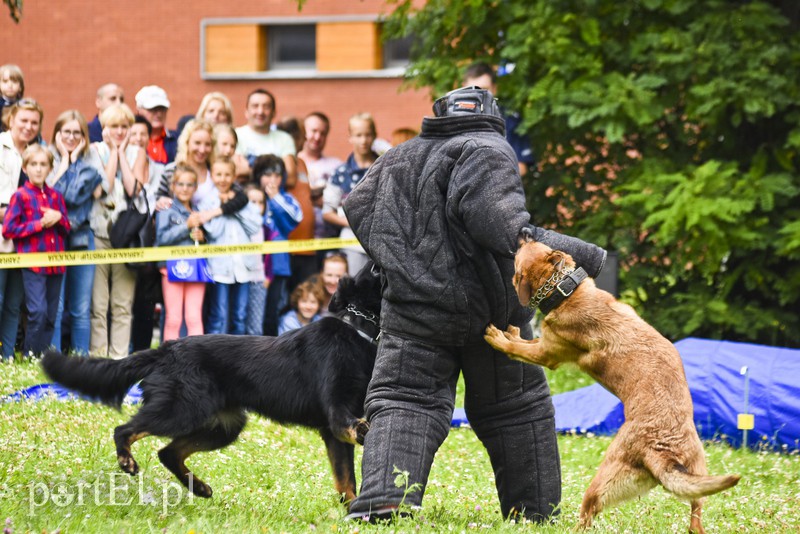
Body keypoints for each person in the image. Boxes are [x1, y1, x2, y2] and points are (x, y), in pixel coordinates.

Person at [342, 87, 607, 522]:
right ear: (492, 117)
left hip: (412, 310)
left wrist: (403, 264)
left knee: (403, 400)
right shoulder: (486, 148)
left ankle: (382, 504)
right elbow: (504, 227)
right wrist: (587, 258)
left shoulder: (398, 156)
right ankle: (535, 515)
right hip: (492, 316)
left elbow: (357, 205)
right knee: (516, 409)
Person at [89, 103, 147, 359]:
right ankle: (99, 355)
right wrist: (112, 152)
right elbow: (103, 187)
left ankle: (119, 356)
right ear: (104, 128)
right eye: (114, 127)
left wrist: (123, 152)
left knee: (123, 303)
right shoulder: (93, 151)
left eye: (125, 127)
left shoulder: (138, 152)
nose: (120, 131)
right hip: (98, 231)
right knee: (99, 303)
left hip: (126, 235)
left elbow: (133, 188)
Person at [2, 144, 70, 356]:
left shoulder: (56, 196)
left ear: (50, 168)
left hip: (56, 264)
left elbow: (66, 228)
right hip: (32, 264)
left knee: (51, 314)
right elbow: (8, 229)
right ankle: (29, 355)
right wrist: (39, 224)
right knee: (37, 312)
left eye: (43, 165)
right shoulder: (20, 196)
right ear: (25, 168)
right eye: (34, 164)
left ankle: (42, 357)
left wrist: (59, 218)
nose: (39, 169)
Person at [48, 109, 105, 355]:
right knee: (57, 306)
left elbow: (75, 196)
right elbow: (46, 194)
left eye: (77, 132)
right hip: (53, 239)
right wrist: (64, 162)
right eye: (66, 132)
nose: (71, 137)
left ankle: (81, 360)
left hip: (83, 236)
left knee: (81, 307)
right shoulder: (47, 156)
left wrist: (75, 162)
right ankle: (55, 359)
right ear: (57, 134)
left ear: (84, 136)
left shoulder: (91, 159)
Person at [200, 157, 263, 335]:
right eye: (218, 174)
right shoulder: (208, 202)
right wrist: (221, 206)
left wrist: (233, 208)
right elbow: (212, 230)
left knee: (240, 315)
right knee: (219, 314)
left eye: (227, 174)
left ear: (234, 176)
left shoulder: (242, 201)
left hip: (243, 267)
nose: (223, 179)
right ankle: (213, 356)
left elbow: (254, 225)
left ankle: (238, 358)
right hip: (220, 268)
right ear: (212, 176)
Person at [0, 98, 42, 359]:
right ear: (11, 120)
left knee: (15, 303)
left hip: (27, 236)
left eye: (34, 122)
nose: (28, 126)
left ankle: (6, 356)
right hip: (2, 228)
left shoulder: (38, 152)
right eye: (24, 120)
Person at [321, 112, 379, 276]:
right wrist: (353, 222)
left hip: (382, 243)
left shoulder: (384, 167)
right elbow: (327, 212)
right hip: (352, 244)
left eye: (368, 135)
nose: (363, 140)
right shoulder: (341, 173)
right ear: (350, 137)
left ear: (374, 135)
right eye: (358, 135)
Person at [155, 165, 207, 341]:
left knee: (194, 317)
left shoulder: (199, 212)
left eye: (189, 184)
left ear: (195, 188)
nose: (185, 188)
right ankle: (169, 363)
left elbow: (205, 242)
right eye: (181, 184)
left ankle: (198, 361)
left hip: (196, 269)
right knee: (173, 318)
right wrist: (186, 226)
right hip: (171, 268)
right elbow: (161, 239)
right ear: (173, 186)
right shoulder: (166, 210)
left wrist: (202, 237)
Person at [254, 154, 302, 336]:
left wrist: (275, 198)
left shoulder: (286, 198)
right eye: (267, 174)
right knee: (252, 313)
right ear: (258, 176)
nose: (272, 180)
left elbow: (295, 218)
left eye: (277, 175)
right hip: (252, 265)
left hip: (278, 265)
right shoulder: (252, 196)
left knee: (273, 312)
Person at [463, 62, 536, 176]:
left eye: (484, 89)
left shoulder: (510, 119)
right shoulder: (450, 121)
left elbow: (521, 167)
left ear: (494, 89)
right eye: (473, 89)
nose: (478, 95)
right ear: (463, 88)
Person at [276, 116, 317, 291]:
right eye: (302, 136)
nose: (306, 140)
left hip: (307, 246)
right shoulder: (278, 164)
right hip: (288, 246)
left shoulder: (301, 163)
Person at [298, 111, 343, 269]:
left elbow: (345, 200)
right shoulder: (293, 164)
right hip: (299, 244)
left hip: (329, 240)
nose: (317, 137)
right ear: (304, 132)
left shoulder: (337, 165)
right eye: (314, 131)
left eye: (323, 133)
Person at [234, 88, 297, 187]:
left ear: (274, 112)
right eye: (255, 106)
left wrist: (250, 171)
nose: (260, 111)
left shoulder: (284, 139)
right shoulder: (235, 135)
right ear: (246, 111)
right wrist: (276, 174)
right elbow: (237, 173)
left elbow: (290, 178)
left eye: (266, 107)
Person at [244, 185, 269, 336]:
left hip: (259, 280)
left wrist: (268, 277)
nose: (257, 206)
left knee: (255, 326)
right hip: (240, 279)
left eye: (261, 202)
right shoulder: (239, 224)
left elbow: (268, 255)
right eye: (252, 202)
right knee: (239, 318)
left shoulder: (265, 227)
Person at [135, 85, 178, 166]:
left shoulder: (177, 139)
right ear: (139, 110)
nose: (158, 114)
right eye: (152, 109)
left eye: (162, 109)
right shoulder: (129, 140)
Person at [0, 64, 25, 133]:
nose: (10, 85)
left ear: (20, 87)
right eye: (5, 81)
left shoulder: (24, 105)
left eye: (14, 81)